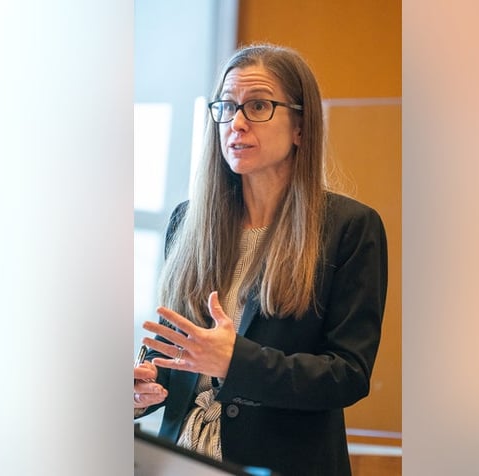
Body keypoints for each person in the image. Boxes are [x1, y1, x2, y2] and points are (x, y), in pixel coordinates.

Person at [133, 43, 388, 476]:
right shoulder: (186, 221)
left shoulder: (351, 227)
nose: (237, 123)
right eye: (227, 107)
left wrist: (236, 361)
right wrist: (144, 387)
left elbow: (348, 374)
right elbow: (180, 353)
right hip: (179, 457)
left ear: (301, 128)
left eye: (258, 106)